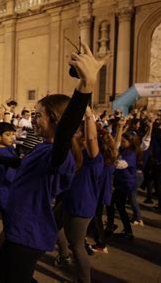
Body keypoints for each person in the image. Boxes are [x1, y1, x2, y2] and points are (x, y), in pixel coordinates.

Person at [0, 42, 110, 282]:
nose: (34, 120)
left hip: (28, 232)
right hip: (18, 227)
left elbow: (66, 130)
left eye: (38, 115)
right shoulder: (43, 147)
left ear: (55, 119)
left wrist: (85, 87)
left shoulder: (60, 153)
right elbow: (25, 168)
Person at [54, 107, 103, 283]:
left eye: (77, 132)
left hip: (81, 206)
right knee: (52, 224)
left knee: (77, 245)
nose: (73, 134)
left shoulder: (93, 157)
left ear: (82, 136)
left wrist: (89, 116)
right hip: (68, 200)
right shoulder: (74, 154)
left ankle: (84, 281)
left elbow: (92, 137)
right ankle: (63, 255)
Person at [0, 122, 18, 269]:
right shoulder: (3, 152)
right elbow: (11, 177)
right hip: (5, 194)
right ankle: (0, 260)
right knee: (10, 228)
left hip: (6, 192)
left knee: (8, 228)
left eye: (13, 134)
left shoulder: (7, 148)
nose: (12, 137)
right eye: (8, 134)